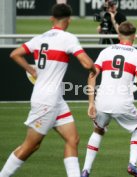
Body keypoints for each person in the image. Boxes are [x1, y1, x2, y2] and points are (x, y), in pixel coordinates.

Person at [0, 4, 96, 177]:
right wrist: (94, 69)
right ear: (69, 20)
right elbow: (87, 63)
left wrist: (32, 70)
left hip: (55, 99)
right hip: (47, 100)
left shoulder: (39, 38)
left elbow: (14, 54)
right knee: (31, 145)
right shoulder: (67, 38)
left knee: (72, 139)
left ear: (52, 18)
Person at [81, 21, 137, 177]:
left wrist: (91, 103)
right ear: (134, 36)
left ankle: (86, 170)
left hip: (102, 101)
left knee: (98, 130)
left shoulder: (106, 51)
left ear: (119, 35)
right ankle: (132, 164)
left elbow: (92, 75)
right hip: (122, 102)